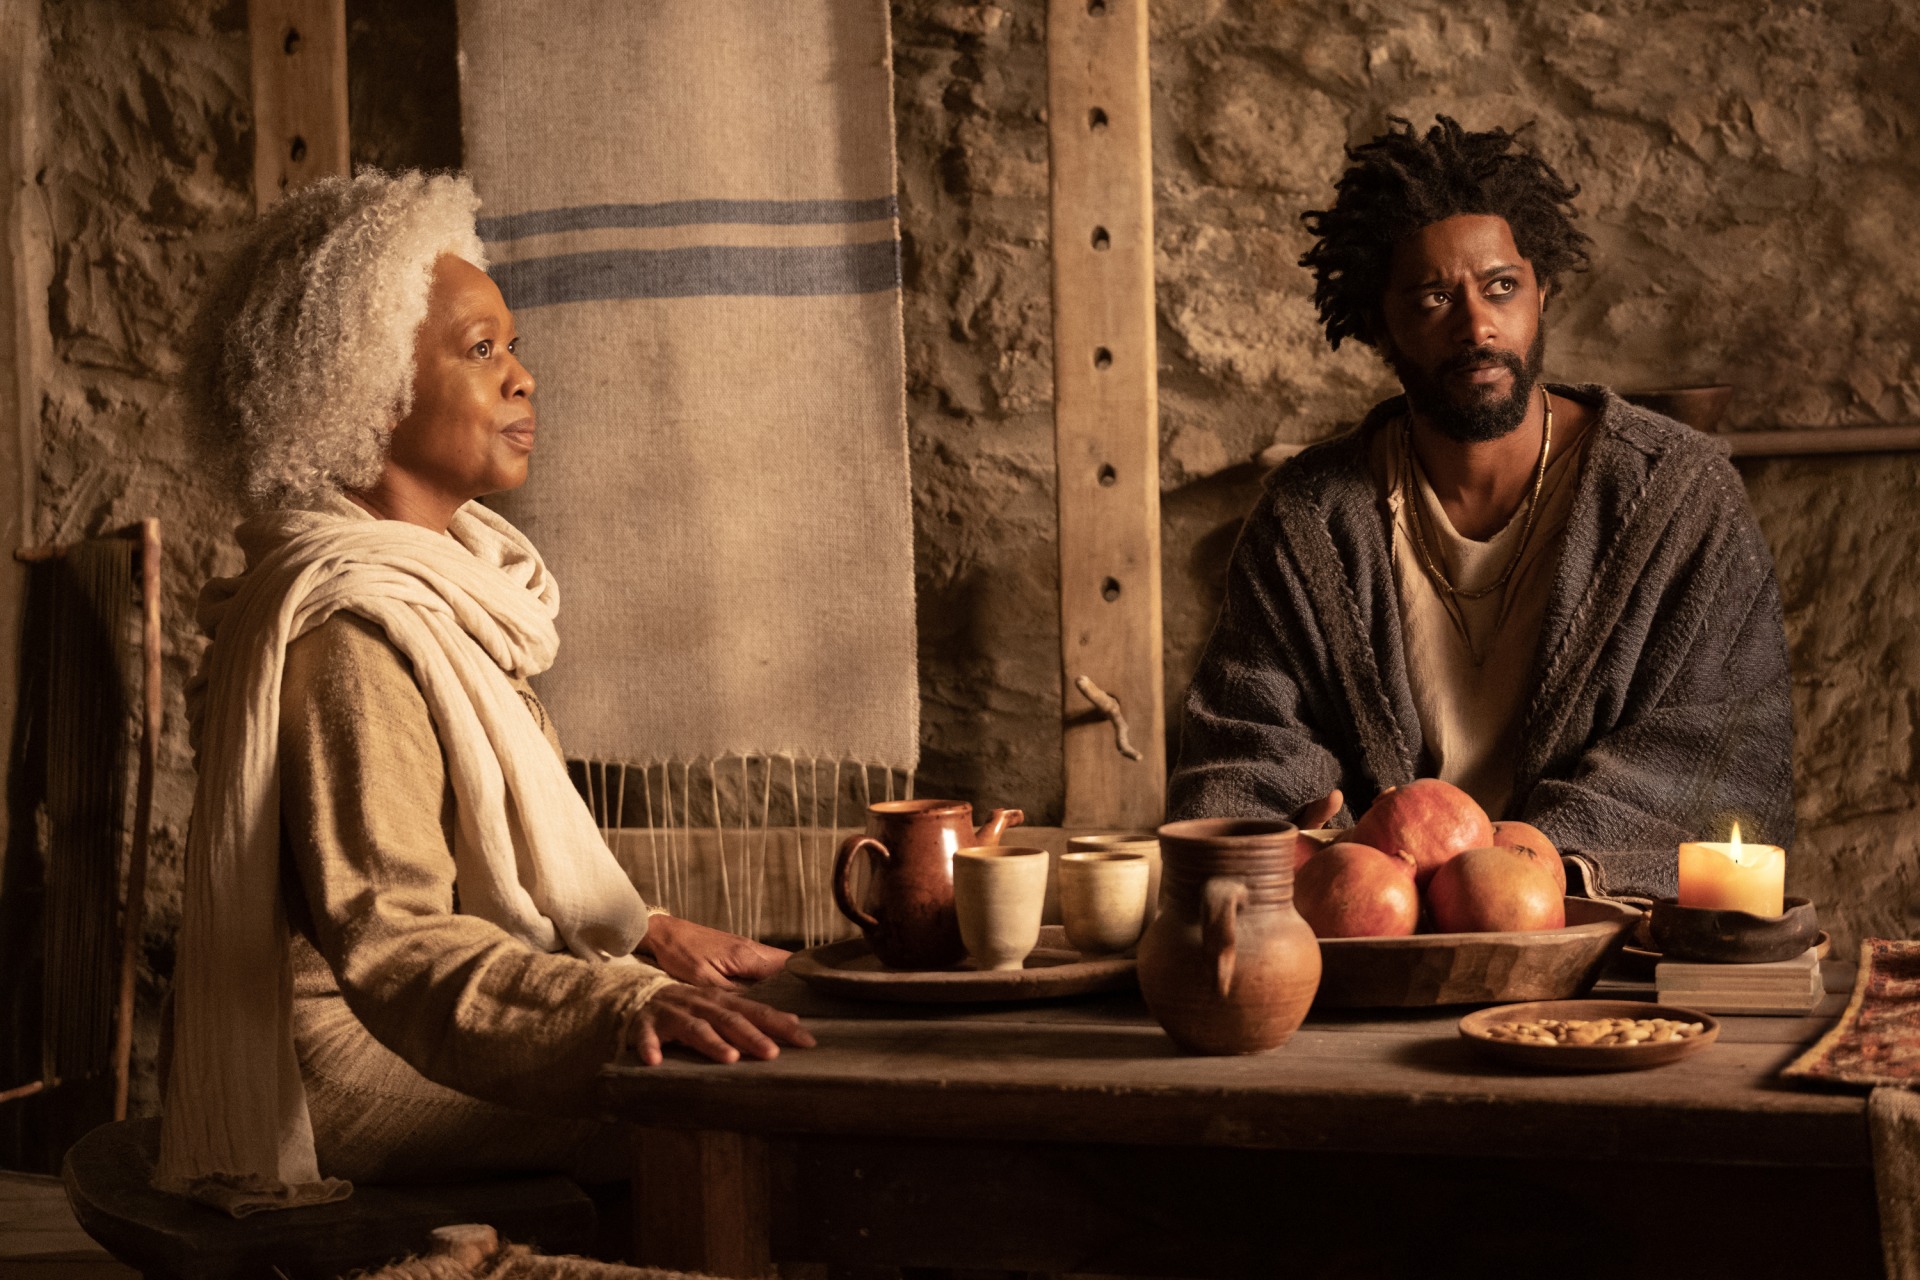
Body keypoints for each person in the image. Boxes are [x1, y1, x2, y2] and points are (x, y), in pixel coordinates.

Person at [156, 170, 811, 1213]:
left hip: (415, 1029)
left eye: (510, 344)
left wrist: (646, 933)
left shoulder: (442, 588)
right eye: (480, 350)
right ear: (360, 390)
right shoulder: (350, 633)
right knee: (734, 1108)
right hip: (350, 1068)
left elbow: (477, 868)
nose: (523, 378)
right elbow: (398, 944)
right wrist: (618, 1010)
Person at [1166, 117, 1794, 897]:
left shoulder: (1678, 498)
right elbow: (1243, 743)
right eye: (1434, 298)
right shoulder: (1311, 521)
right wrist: (1312, 835)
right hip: (1377, 945)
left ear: (1542, 290)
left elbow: (1721, 749)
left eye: (1502, 287)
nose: (1477, 327)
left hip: (1596, 938)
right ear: (1378, 323)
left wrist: (1541, 855)